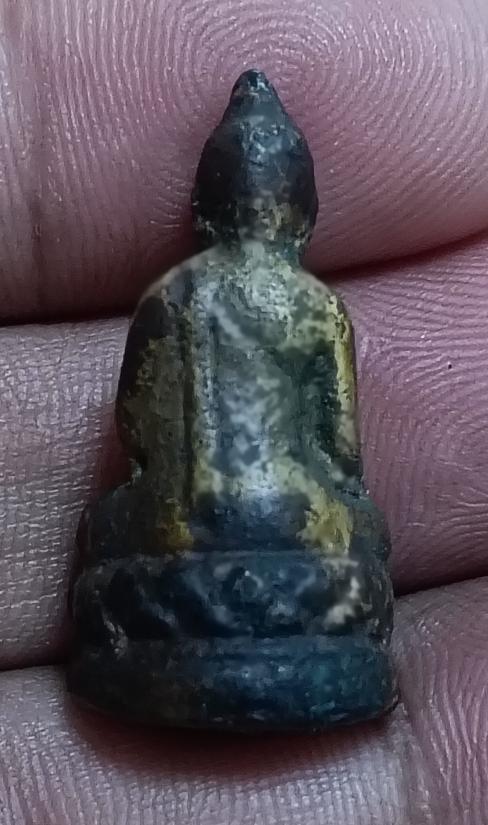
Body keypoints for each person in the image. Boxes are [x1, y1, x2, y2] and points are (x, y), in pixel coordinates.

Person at [0, 0, 487, 821]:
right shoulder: (316, 308)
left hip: (176, 546)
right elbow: (339, 451)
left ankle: (158, 649)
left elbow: (137, 433)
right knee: (361, 530)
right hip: (298, 541)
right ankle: (315, 644)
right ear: (300, 208)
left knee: (109, 525)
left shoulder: (172, 297)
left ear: (206, 207)